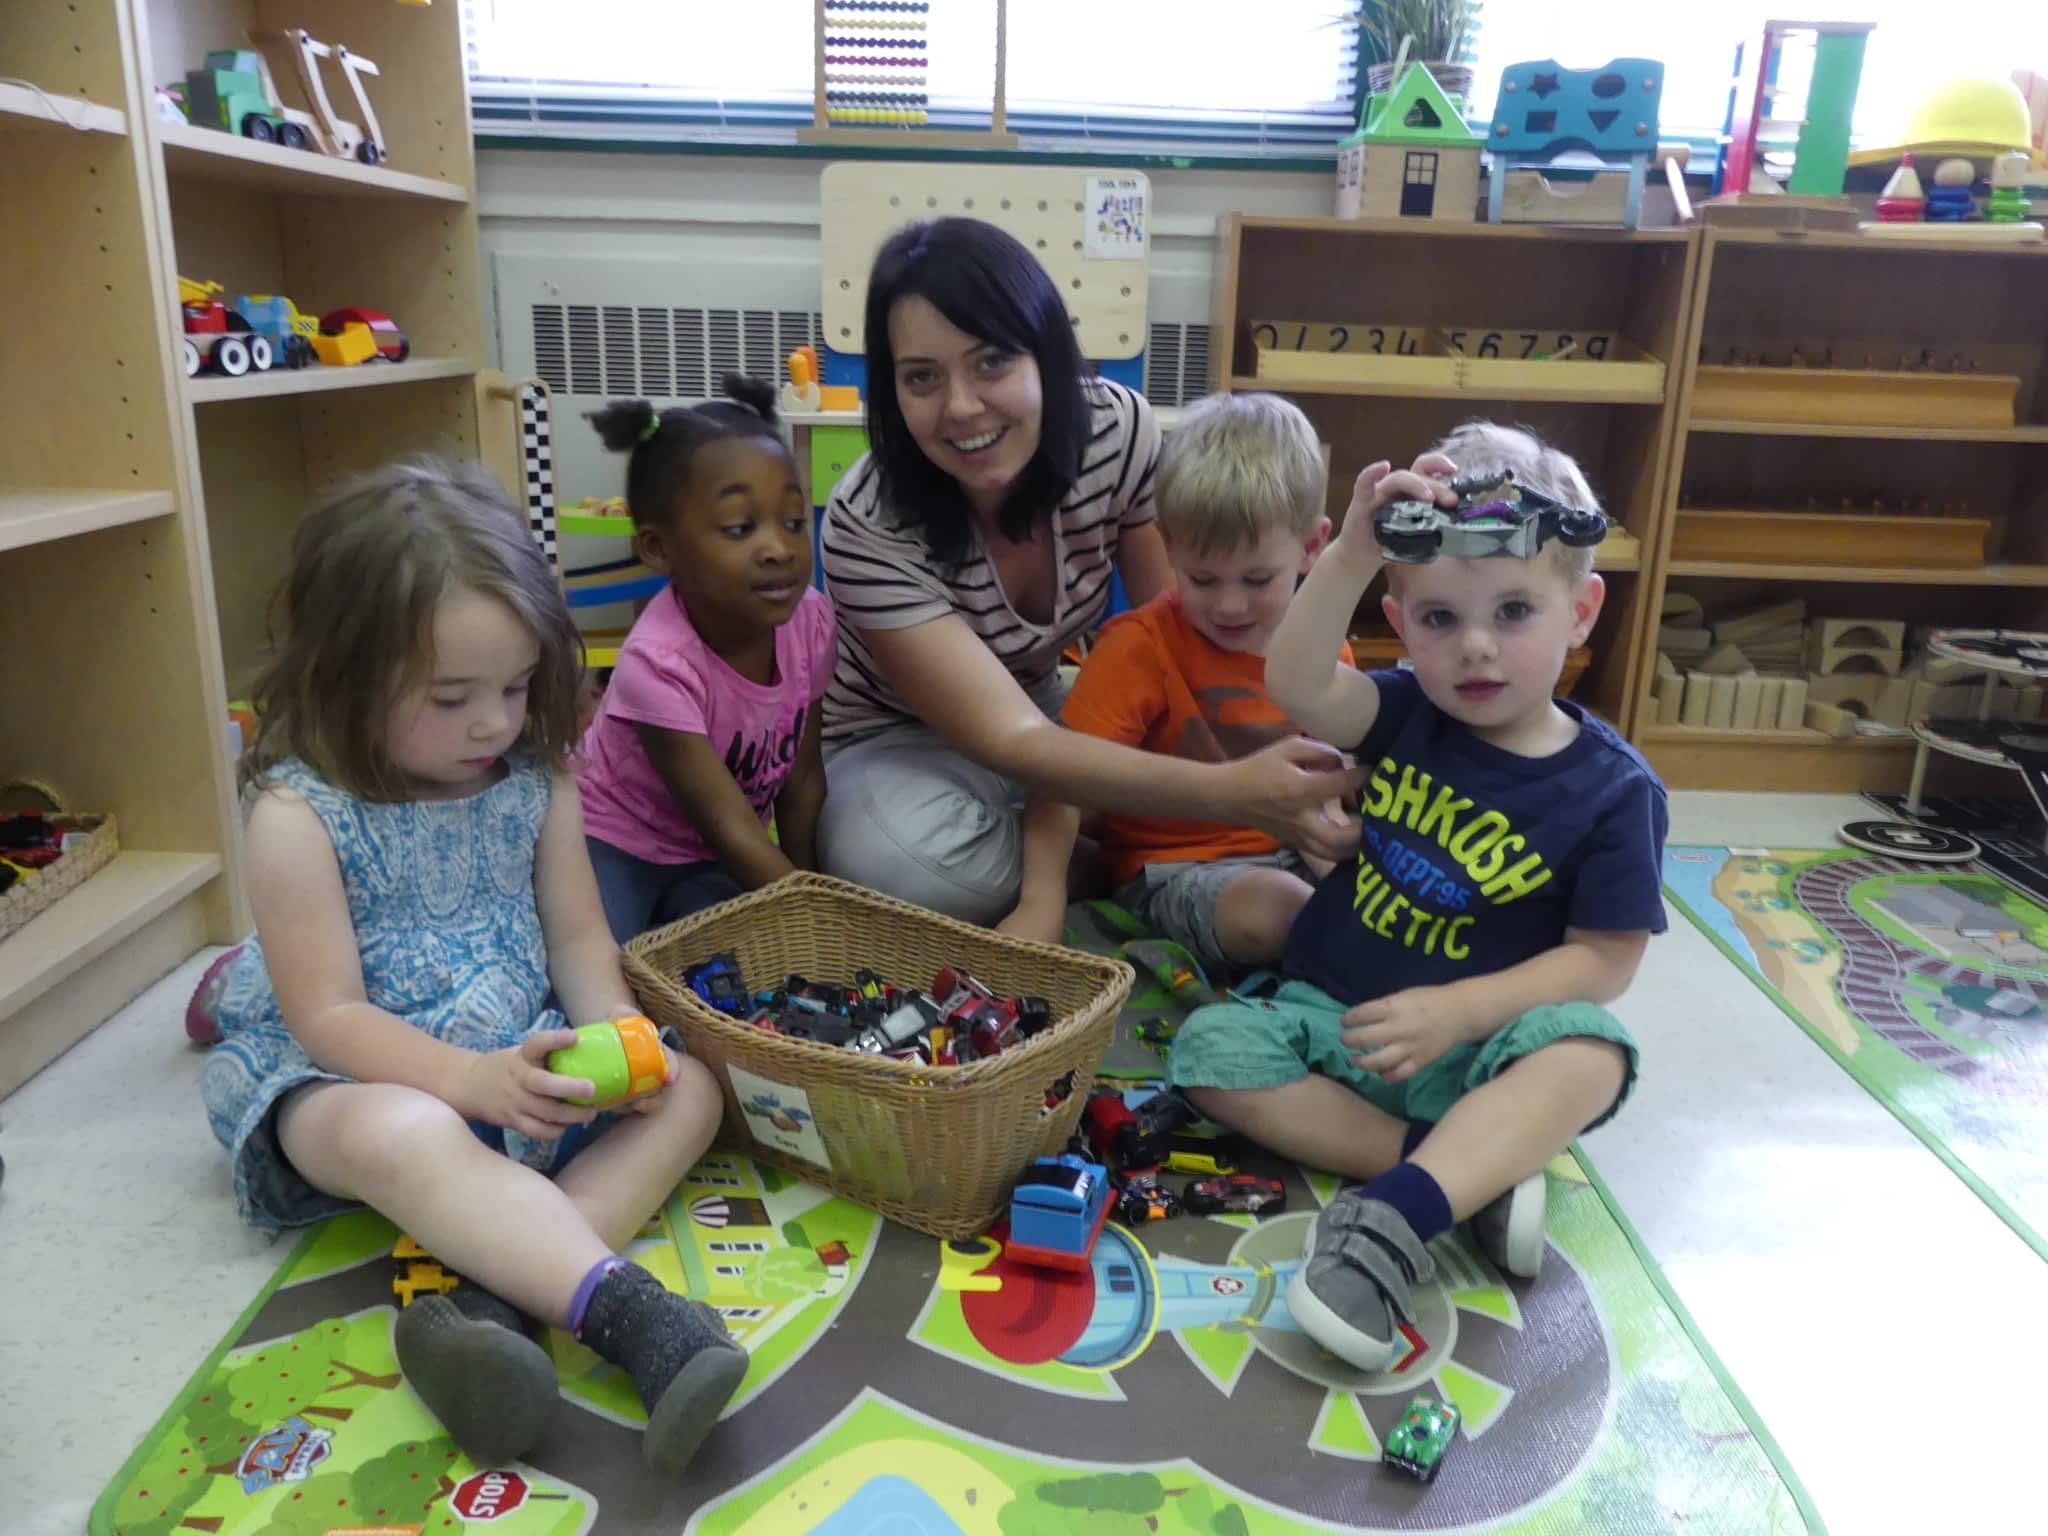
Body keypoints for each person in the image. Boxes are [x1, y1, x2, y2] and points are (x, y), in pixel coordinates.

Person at [194, 461, 746, 1474]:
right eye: (452, 698)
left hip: (507, 1044)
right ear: (342, 676)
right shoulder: (296, 812)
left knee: (690, 1091)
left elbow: (580, 941)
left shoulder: (534, 780)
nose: (495, 722)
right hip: (355, 1074)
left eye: (516, 685)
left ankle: (490, 1304)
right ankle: (639, 1324)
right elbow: (326, 1016)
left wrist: (617, 1041)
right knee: (404, 1130)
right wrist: (465, 1082)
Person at [1166, 423, 1668, 1371]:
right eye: (1439, 620)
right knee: (1208, 1047)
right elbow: (1296, 678)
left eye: (1515, 610)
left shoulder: (1615, 791)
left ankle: (1398, 1215)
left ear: (1583, 610)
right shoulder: (1402, 710)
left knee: (1594, 1054)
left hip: (1478, 1051)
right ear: (1400, 626)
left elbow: (1605, 960)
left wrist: (1461, 1011)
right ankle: (1458, 1172)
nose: (1475, 648)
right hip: (1331, 1022)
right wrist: (1353, 551)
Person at [817, 216, 1362, 924]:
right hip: (904, 743)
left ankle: (1103, 835)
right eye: (922, 378)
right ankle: (1108, 859)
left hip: (1051, 709)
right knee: (898, 865)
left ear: (1044, 354)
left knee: (1161, 759)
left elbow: (1185, 635)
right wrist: (1228, 795)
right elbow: (1004, 739)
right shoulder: (869, 518)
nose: (960, 407)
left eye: (991, 363)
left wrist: (1218, 769)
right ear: (891, 392)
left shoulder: (1116, 431)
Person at [1000, 392, 1353, 976]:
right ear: (1168, 546)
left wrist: (1348, 876)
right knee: (1279, 913)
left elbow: (1330, 784)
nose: (1230, 604)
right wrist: (1042, 902)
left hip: (1294, 851)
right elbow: (1060, 783)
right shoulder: (1140, 646)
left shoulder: (1322, 645)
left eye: (1258, 578)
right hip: (1175, 869)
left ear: (1313, 547)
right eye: (1203, 579)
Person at [577, 379, 832, 942]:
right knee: (595, 961)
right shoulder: (658, 663)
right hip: (616, 840)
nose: (780, 548)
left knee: (741, 962)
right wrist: (818, 920)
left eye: (792, 521)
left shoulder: (811, 621)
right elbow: (731, 831)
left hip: (704, 854)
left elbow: (804, 779)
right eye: (741, 528)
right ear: (658, 548)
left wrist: (812, 886)